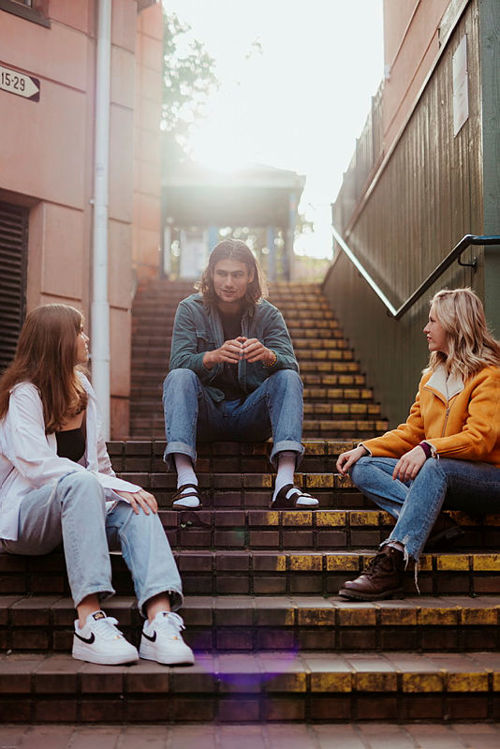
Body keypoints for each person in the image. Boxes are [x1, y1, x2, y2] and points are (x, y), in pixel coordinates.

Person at [0, 304, 194, 667]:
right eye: (79, 332)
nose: (86, 338)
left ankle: (158, 622)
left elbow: (99, 462)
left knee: (137, 505)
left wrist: (122, 488)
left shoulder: (82, 387)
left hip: (81, 507)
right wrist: (106, 483)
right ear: (57, 341)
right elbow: (35, 464)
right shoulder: (23, 394)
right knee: (81, 482)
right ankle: (89, 623)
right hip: (29, 519)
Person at [336, 288, 500, 601]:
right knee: (363, 466)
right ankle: (434, 522)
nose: (426, 328)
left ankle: (395, 559)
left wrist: (429, 448)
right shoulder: (431, 379)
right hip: (441, 477)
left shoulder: (489, 376)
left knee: (434, 466)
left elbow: (479, 440)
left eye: (433, 321)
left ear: (455, 325)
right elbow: (413, 432)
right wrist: (365, 448)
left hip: (488, 479)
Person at [162, 238, 319, 510]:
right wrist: (212, 357)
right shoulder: (190, 309)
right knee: (179, 377)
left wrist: (270, 357)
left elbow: (291, 366)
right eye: (221, 273)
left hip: (251, 417)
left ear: (250, 276)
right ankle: (186, 482)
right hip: (205, 416)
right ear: (211, 274)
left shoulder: (268, 315)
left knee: (287, 377)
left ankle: (284, 483)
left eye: (237, 274)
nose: (228, 282)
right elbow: (178, 362)